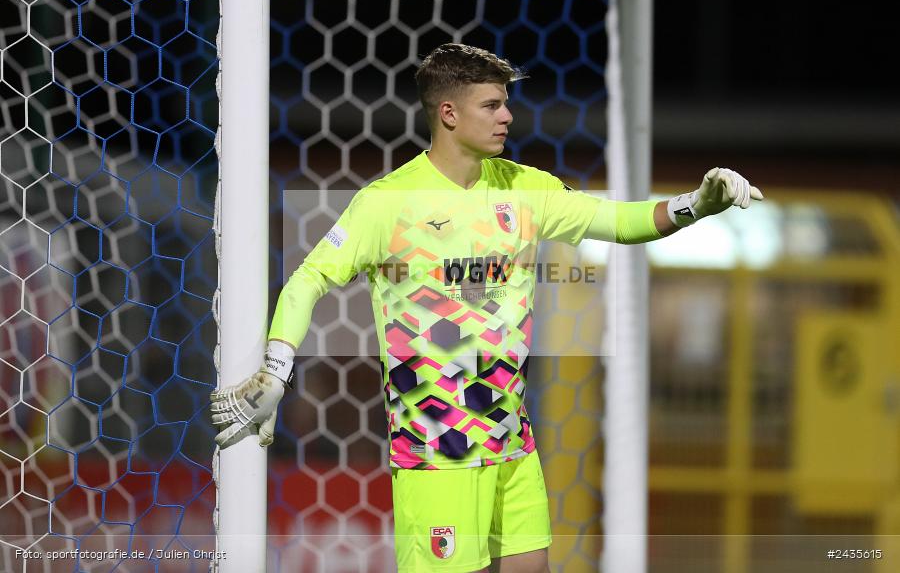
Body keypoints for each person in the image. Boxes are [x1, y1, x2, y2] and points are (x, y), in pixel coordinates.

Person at [210, 43, 763, 573]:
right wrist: (276, 371)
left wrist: (698, 204)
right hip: (437, 447)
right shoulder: (388, 203)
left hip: (511, 441)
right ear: (448, 113)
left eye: (506, 103)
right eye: (492, 105)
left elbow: (620, 222)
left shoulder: (523, 188)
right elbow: (308, 279)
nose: (507, 117)